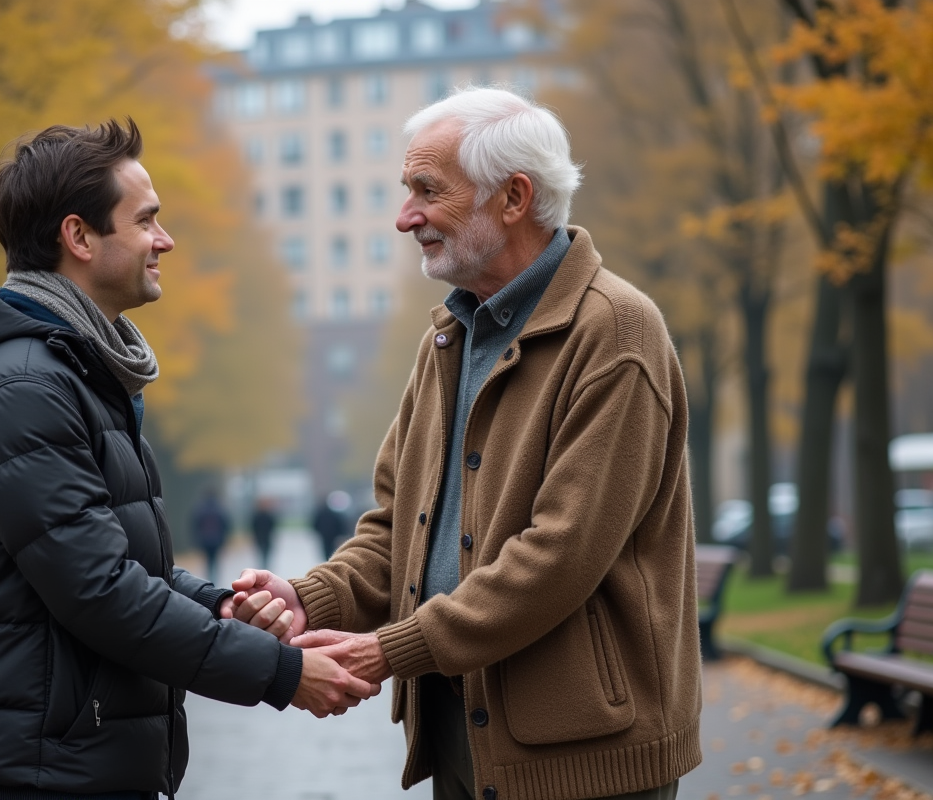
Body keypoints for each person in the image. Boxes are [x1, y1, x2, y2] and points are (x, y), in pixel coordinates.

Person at [228, 88, 702, 800]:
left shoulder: (616, 333)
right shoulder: (448, 337)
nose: (403, 217)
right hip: (465, 736)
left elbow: (559, 557)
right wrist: (308, 597)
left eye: (427, 190)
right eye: (406, 190)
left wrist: (389, 649)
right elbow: (396, 530)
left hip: (582, 755)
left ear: (514, 198)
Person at [0, 118, 379, 800]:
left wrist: (222, 607)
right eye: (147, 221)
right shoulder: (24, 387)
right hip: (41, 776)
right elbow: (100, 592)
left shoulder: (73, 372)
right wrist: (278, 672)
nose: (166, 240)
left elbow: (115, 564)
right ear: (79, 237)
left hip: (69, 762)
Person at [191, 489, 230, 580]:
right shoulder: (219, 508)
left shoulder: (201, 508)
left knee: (208, 560)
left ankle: (209, 578)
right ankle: (214, 578)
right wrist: (224, 539)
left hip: (205, 540)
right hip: (217, 540)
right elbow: (225, 524)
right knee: (215, 560)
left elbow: (196, 524)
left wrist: (196, 538)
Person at [311, 493, 348, 560]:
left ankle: (327, 560)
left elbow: (315, 524)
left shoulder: (320, 513)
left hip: (324, 535)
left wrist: (319, 532)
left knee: (326, 550)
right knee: (332, 550)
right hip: (333, 536)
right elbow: (339, 524)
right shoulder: (334, 513)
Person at [249, 498, 277, 568]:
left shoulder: (262, 515)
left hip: (264, 538)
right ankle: (264, 566)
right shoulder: (260, 515)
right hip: (262, 538)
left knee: (264, 554)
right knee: (263, 554)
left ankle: (264, 566)